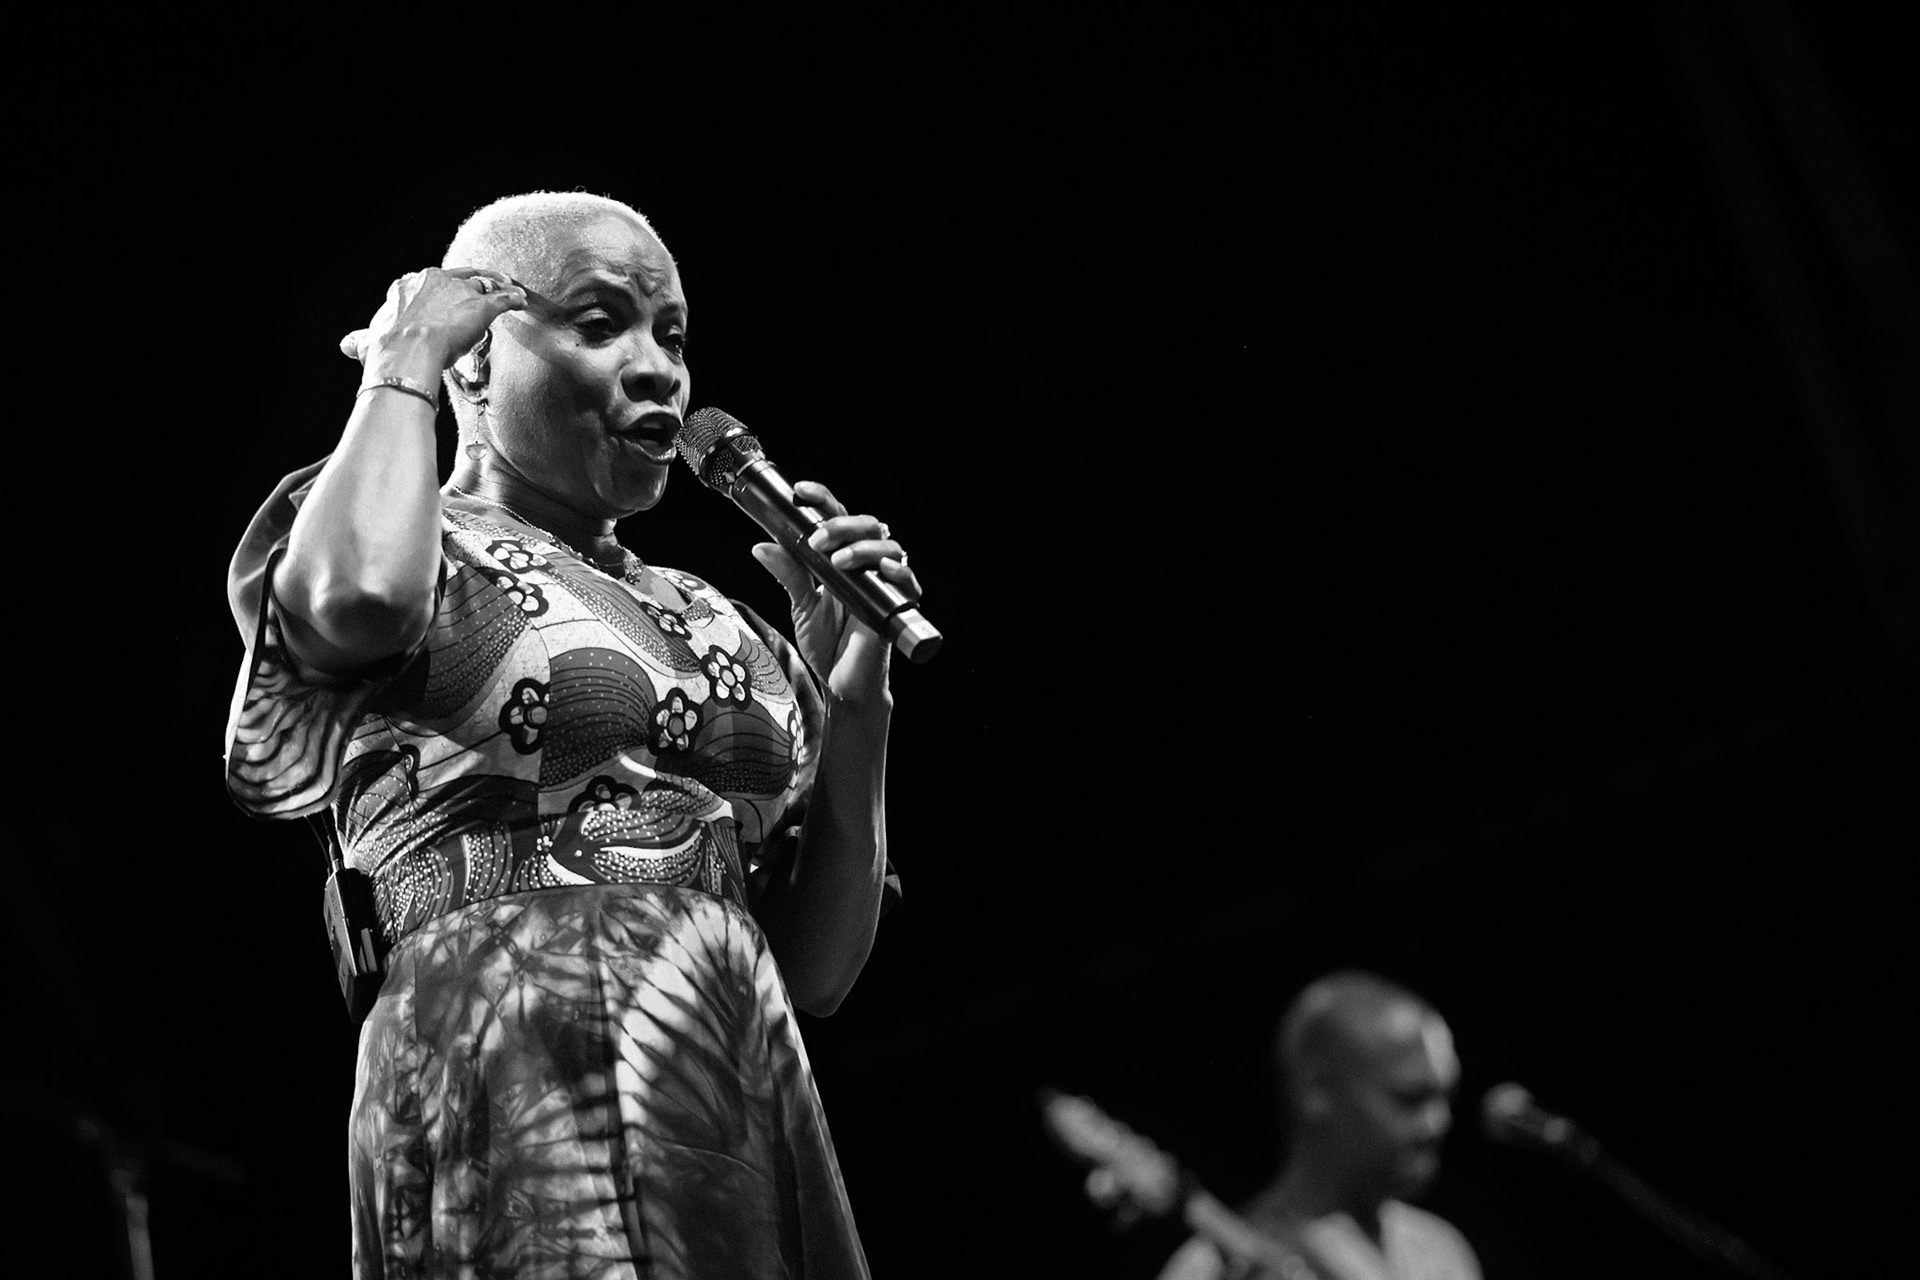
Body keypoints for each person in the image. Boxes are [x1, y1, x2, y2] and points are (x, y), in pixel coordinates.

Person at [223, 190, 919, 1278]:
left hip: (725, 1071)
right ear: (476, 360)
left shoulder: (714, 613)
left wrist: (855, 695)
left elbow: (819, 966)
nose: (658, 368)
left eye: (673, 335)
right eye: (600, 325)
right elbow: (355, 599)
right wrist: (399, 360)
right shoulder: (399, 532)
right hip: (505, 1056)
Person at [1156, 971, 1481, 1280]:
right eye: (1410, 1098)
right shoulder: (1214, 1266)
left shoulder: (1440, 1251)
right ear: (1317, 1091)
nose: (1438, 1122)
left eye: (1446, 1097)